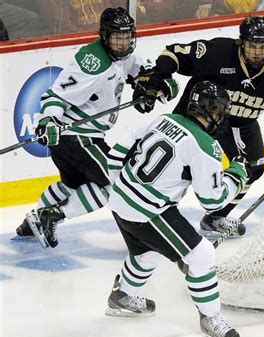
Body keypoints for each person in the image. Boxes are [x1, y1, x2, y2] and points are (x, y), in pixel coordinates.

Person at [133, 15, 264, 237]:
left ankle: (215, 217)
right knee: (178, 166)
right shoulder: (217, 52)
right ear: (241, 42)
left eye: (261, 46)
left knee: (253, 169)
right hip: (198, 118)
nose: (256, 52)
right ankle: (149, 211)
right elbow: (175, 52)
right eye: (251, 45)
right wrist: (157, 77)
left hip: (241, 123)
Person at [16, 7, 178, 248]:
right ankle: (56, 215)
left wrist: (158, 88)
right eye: (116, 37)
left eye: (126, 37)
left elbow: (149, 75)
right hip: (78, 136)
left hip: (81, 139)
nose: (123, 43)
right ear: (104, 36)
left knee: (72, 185)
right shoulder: (92, 63)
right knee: (118, 183)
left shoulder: (124, 56)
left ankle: (32, 223)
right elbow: (56, 96)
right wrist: (48, 120)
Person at [104, 80, 249, 337]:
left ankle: (123, 295)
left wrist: (122, 186)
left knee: (148, 252)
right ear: (207, 109)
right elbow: (212, 200)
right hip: (148, 210)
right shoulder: (206, 145)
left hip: (120, 199)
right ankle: (211, 319)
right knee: (202, 254)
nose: (220, 115)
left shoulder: (165, 119)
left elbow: (119, 150)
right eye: (218, 109)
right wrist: (237, 177)